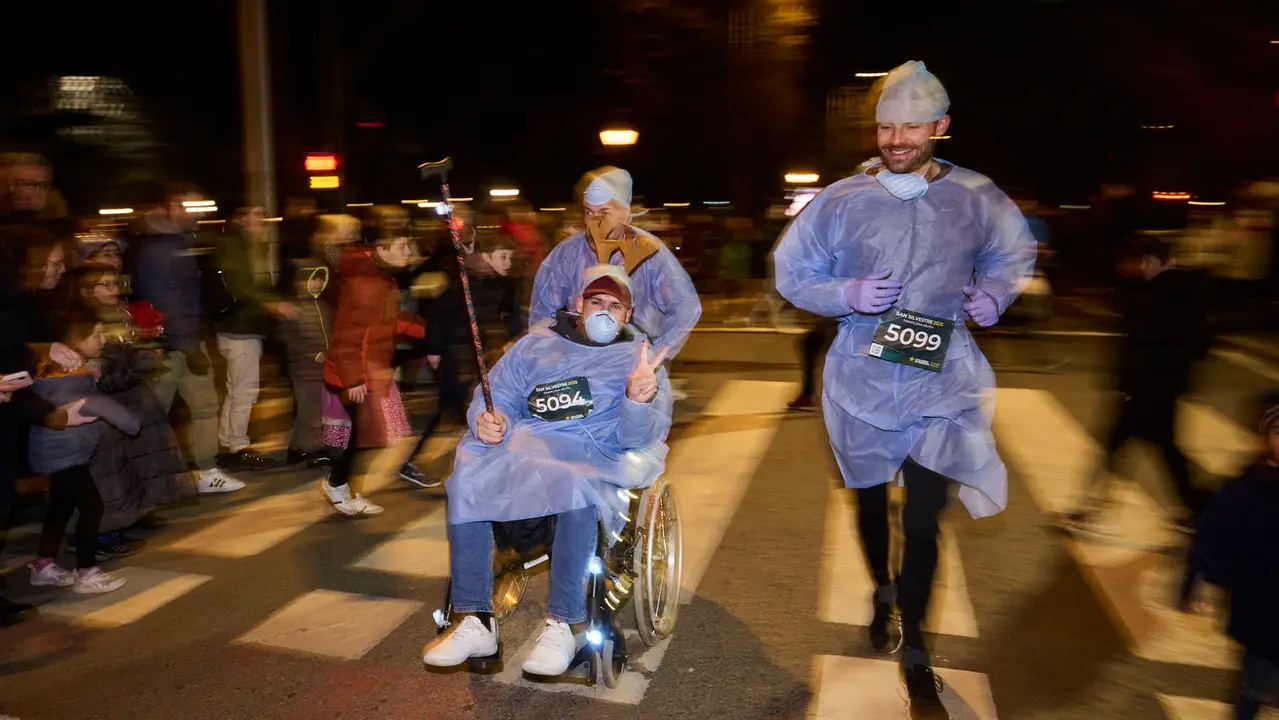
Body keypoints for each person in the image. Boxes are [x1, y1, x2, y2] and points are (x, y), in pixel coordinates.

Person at [772, 61, 1036, 711]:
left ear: (940, 127)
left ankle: (915, 648)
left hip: (939, 384)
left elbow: (1012, 254)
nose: (894, 138)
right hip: (858, 382)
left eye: (910, 125)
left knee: (921, 523)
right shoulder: (840, 199)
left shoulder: (975, 196)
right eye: (886, 125)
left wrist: (995, 296)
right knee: (867, 509)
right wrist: (844, 293)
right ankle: (882, 590)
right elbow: (789, 270)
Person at [423, 265, 673, 675]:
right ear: (579, 304)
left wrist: (636, 398)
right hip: (525, 446)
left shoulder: (641, 359)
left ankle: (565, 623)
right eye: (596, 302)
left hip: (591, 453)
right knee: (467, 474)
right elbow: (497, 393)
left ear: (627, 315)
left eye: (615, 306)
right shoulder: (534, 346)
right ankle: (475, 619)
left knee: (574, 483)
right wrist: (491, 417)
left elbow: (635, 439)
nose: (605, 312)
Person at [1061, 235, 1211, 533]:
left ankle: (1088, 509)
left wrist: (1134, 380)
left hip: (1148, 390)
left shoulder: (1165, 295)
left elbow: (1149, 345)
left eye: (1137, 261)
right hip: (1156, 388)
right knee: (1161, 451)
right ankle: (1196, 511)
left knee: (1120, 447)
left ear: (1151, 260)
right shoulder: (1164, 291)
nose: (1130, 267)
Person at [129, 184, 244, 494]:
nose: (202, 213)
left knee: (204, 406)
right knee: (152, 414)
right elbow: (165, 299)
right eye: (194, 208)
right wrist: (188, 343)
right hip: (169, 346)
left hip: (184, 339)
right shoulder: (159, 248)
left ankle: (205, 471)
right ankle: (140, 479)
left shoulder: (178, 241)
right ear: (175, 207)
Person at [528, 167, 701, 356]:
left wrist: (655, 355)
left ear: (625, 215)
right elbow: (542, 311)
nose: (594, 221)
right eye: (589, 213)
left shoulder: (652, 255)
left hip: (634, 362)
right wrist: (549, 352)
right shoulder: (567, 253)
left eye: (604, 212)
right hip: (579, 361)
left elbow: (686, 307)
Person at [1181, 391, 1279, 719]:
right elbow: (1211, 535)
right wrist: (1198, 578)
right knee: (1257, 686)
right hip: (1262, 615)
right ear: (1264, 438)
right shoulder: (1244, 490)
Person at [400, 233, 522, 488]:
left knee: (470, 413)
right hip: (456, 358)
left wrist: (512, 340)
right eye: (503, 256)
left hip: (482, 358)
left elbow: (505, 317)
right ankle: (414, 464)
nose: (508, 262)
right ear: (486, 257)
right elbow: (437, 314)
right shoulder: (464, 282)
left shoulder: (499, 282)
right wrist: (433, 350)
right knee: (454, 411)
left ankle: (477, 469)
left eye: (510, 257)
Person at [27, 320, 139, 595]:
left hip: (49, 456)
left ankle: (43, 566)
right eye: (96, 334)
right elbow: (130, 424)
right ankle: (86, 573)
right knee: (92, 508)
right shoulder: (79, 389)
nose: (101, 340)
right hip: (68, 458)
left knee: (61, 509)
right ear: (76, 342)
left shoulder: (46, 378)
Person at [321, 232, 424, 516]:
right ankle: (338, 486)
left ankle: (342, 487)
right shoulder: (366, 284)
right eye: (402, 245)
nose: (409, 250)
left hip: (368, 370)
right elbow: (347, 335)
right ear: (381, 248)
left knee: (365, 436)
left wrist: (426, 330)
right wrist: (353, 379)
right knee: (361, 436)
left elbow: (390, 321)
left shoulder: (381, 278)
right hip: (356, 373)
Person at [213, 207, 297, 471]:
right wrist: (271, 304)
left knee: (236, 390)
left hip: (236, 328)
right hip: (240, 329)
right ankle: (238, 446)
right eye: (256, 215)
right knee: (244, 391)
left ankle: (228, 441)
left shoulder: (240, 244)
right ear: (242, 218)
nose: (262, 221)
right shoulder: (236, 246)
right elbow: (241, 286)